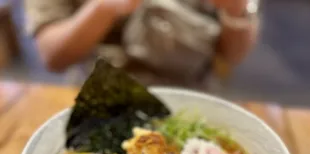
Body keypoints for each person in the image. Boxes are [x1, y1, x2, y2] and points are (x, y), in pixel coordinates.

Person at [25, 0, 259, 84]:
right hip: (99, 93)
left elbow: (232, 55)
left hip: (192, 93)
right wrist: (104, 7)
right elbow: (53, 56)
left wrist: (235, 11)